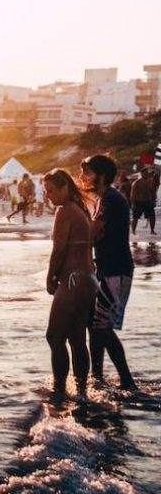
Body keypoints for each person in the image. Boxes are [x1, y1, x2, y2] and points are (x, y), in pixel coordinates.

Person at [79, 154, 137, 390]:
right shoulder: (108, 198)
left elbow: (92, 233)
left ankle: (126, 382)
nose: (82, 177)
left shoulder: (110, 199)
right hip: (110, 269)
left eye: (87, 173)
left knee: (101, 327)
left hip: (116, 270)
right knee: (96, 325)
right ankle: (99, 378)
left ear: (101, 176)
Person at [42, 169, 95, 400]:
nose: (48, 196)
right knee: (77, 339)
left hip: (72, 281)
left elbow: (59, 250)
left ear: (65, 187)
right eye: (46, 192)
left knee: (54, 337)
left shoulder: (65, 211)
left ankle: (60, 390)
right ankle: (82, 392)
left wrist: (50, 277)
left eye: (51, 191)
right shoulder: (80, 209)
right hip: (88, 280)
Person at [131, 170, 157, 235]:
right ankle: (133, 231)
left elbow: (153, 192)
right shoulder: (136, 182)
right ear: (142, 174)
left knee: (152, 217)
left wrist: (153, 201)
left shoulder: (150, 182)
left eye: (147, 173)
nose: (146, 174)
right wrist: (133, 203)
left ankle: (152, 230)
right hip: (139, 202)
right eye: (145, 173)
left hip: (148, 202)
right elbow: (133, 194)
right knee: (135, 218)